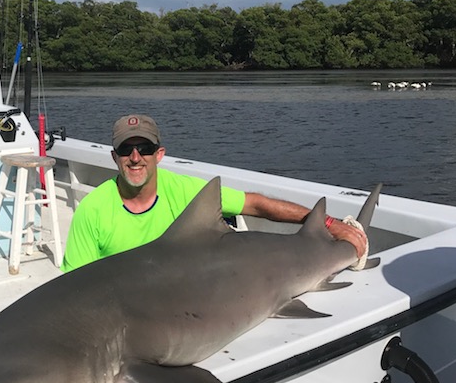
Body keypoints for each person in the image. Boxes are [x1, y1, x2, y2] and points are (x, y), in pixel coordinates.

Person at [61, 113, 369, 272]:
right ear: (114, 157)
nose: (135, 157)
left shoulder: (185, 191)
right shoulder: (93, 210)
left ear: (160, 154)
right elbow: (74, 289)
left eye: (144, 148)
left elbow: (257, 205)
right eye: (126, 149)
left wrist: (329, 224)